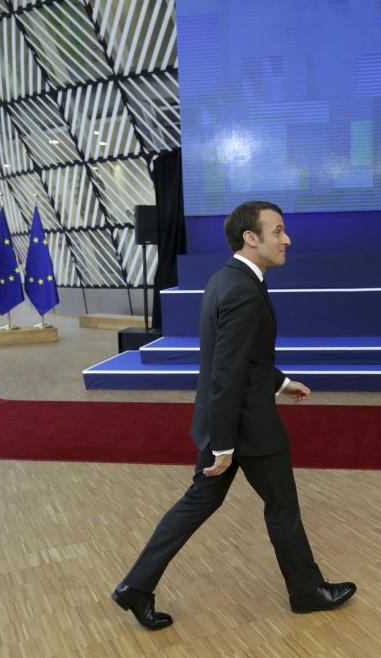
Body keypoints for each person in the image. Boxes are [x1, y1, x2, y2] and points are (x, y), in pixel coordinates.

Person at [112, 200, 356, 630]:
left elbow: (244, 359)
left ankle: (136, 587)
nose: (287, 239)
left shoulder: (228, 280)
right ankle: (306, 592)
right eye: (278, 230)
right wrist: (224, 445)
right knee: (282, 507)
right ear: (251, 237)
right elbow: (226, 373)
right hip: (245, 428)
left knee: (198, 504)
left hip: (227, 421)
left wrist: (280, 383)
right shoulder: (243, 290)